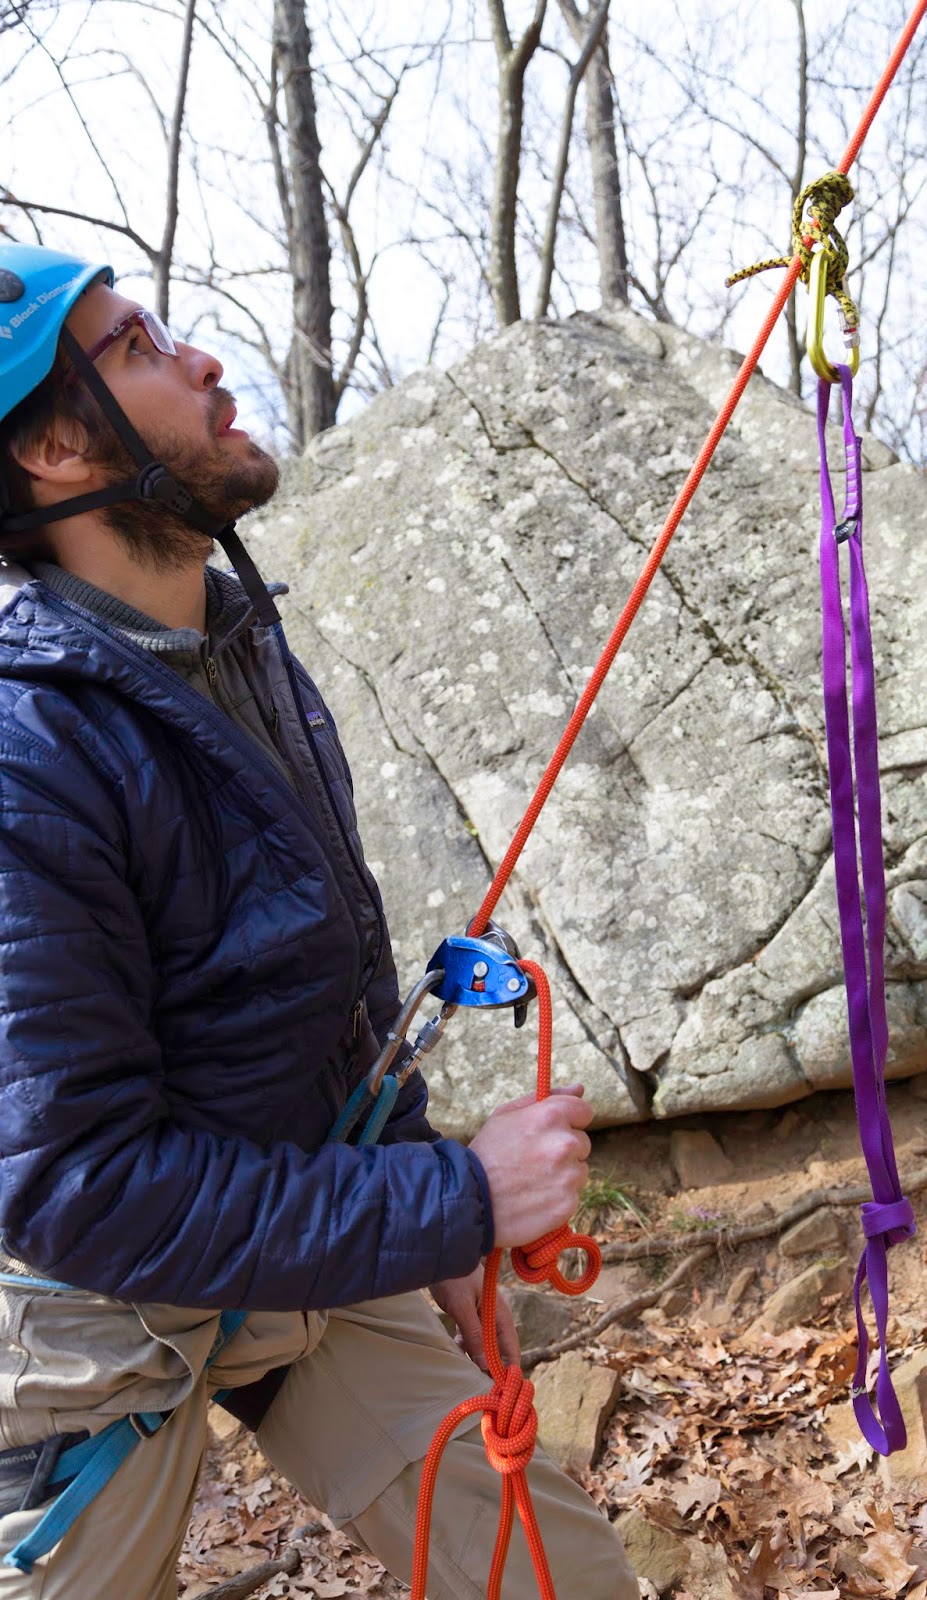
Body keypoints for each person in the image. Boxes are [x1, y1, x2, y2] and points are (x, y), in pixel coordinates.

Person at [0, 243, 638, 1599]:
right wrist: (456, 1198)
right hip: (77, 1305)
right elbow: (71, 1183)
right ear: (54, 449)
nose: (202, 358)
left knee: (554, 1577)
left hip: (291, 1217)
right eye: (136, 347)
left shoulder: (238, 651)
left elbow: (328, 995)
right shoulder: (25, 755)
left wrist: (436, 1223)